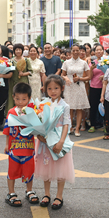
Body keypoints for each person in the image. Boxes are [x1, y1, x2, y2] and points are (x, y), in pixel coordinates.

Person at [34, 75, 74, 210]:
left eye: (56, 88)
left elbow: (66, 123)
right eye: (49, 88)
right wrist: (39, 136)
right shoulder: (43, 104)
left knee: (60, 167)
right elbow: (38, 122)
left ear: (62, 88)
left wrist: (62, 141)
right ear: (45, 89)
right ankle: (46, 194)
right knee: (46, 167)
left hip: (59, 139)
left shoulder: (65, 105)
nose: (53, 91)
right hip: (45, 141)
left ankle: (59, 195)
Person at [3, 82, 38, 207]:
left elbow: (37, 128)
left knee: (29, 170)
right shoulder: (11, 112)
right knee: (12, 171)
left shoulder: (32, 112)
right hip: (14, 149)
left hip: (28, 149)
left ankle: (29, 190)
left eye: (24, 99)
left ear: (29, 98)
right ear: (13, 97)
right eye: (17, 98)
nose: (20, 101)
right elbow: (7, 129)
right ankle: (11, 193)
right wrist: (7, 144)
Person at [61, 44, 90, 137]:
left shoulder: (84, 63)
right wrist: (66, 79)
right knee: (69, 108)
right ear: (71, 51)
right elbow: (62, 74)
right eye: (74, 50)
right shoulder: (66, 62)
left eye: (77, 50)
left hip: (79, 86)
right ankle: (70, 127)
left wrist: (80, 79)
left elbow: (89, 77)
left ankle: (77, 128)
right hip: (69, 86)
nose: (76, 52)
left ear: (80, 51)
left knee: (79, 108)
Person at [7, 43, 32, 113]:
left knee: (24, 98)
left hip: (23, 82)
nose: (18, 51)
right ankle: (12, 114)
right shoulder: (11, 61)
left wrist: (23, 74)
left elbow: (30, 72)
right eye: (16, 50)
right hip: (13, 83)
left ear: (22, 51)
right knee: (13, 99)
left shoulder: (26, 60)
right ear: (14, 51)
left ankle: (24, 114)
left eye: (20, 49)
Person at [88, 44, 106, 133]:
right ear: (94, 52)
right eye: (97, 50)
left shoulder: (107, 61)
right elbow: (89, 77)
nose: (99, 51)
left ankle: (106, 125)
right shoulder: (92, 62)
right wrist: (91, 69)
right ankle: (93, 125)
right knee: (93, 106)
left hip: (105, 87)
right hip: (94, 87)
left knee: (106, 107)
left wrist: (104, 76)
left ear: (103, 51)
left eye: (100, 50)